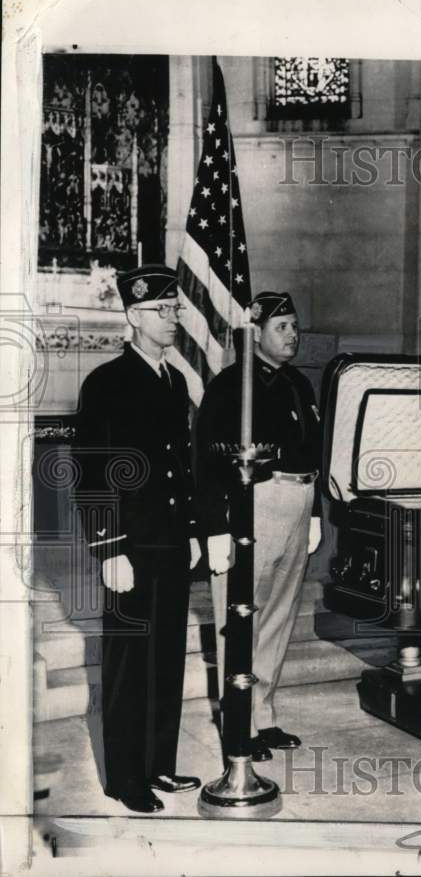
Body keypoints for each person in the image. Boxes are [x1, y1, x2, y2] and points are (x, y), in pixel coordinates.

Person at [72, 265, 202, 813]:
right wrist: (108, 547)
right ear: (133, 317)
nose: (173, 319)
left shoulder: (172, 379)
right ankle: (126, 778)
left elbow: (182, 463)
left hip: (170, 540)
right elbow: (92, 471)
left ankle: (158, 766)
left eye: (174, 309)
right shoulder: (107, 382)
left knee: (167, 655)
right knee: (128, 662)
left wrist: (194, 528)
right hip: (131, 543)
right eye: (161, 311)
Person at [195, 291, 322, 761]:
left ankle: (262, 716)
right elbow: (205, 459)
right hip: (255, 503)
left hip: (298, 498)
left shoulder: (298, 386)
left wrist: (313, 513)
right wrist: (213, 526)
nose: (293, 335)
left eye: (294, 326)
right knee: (241, 615)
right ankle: (237, 722)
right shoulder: (232, 386)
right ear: (256, 334)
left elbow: (314, 450)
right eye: (282, 327)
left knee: (278, 616)